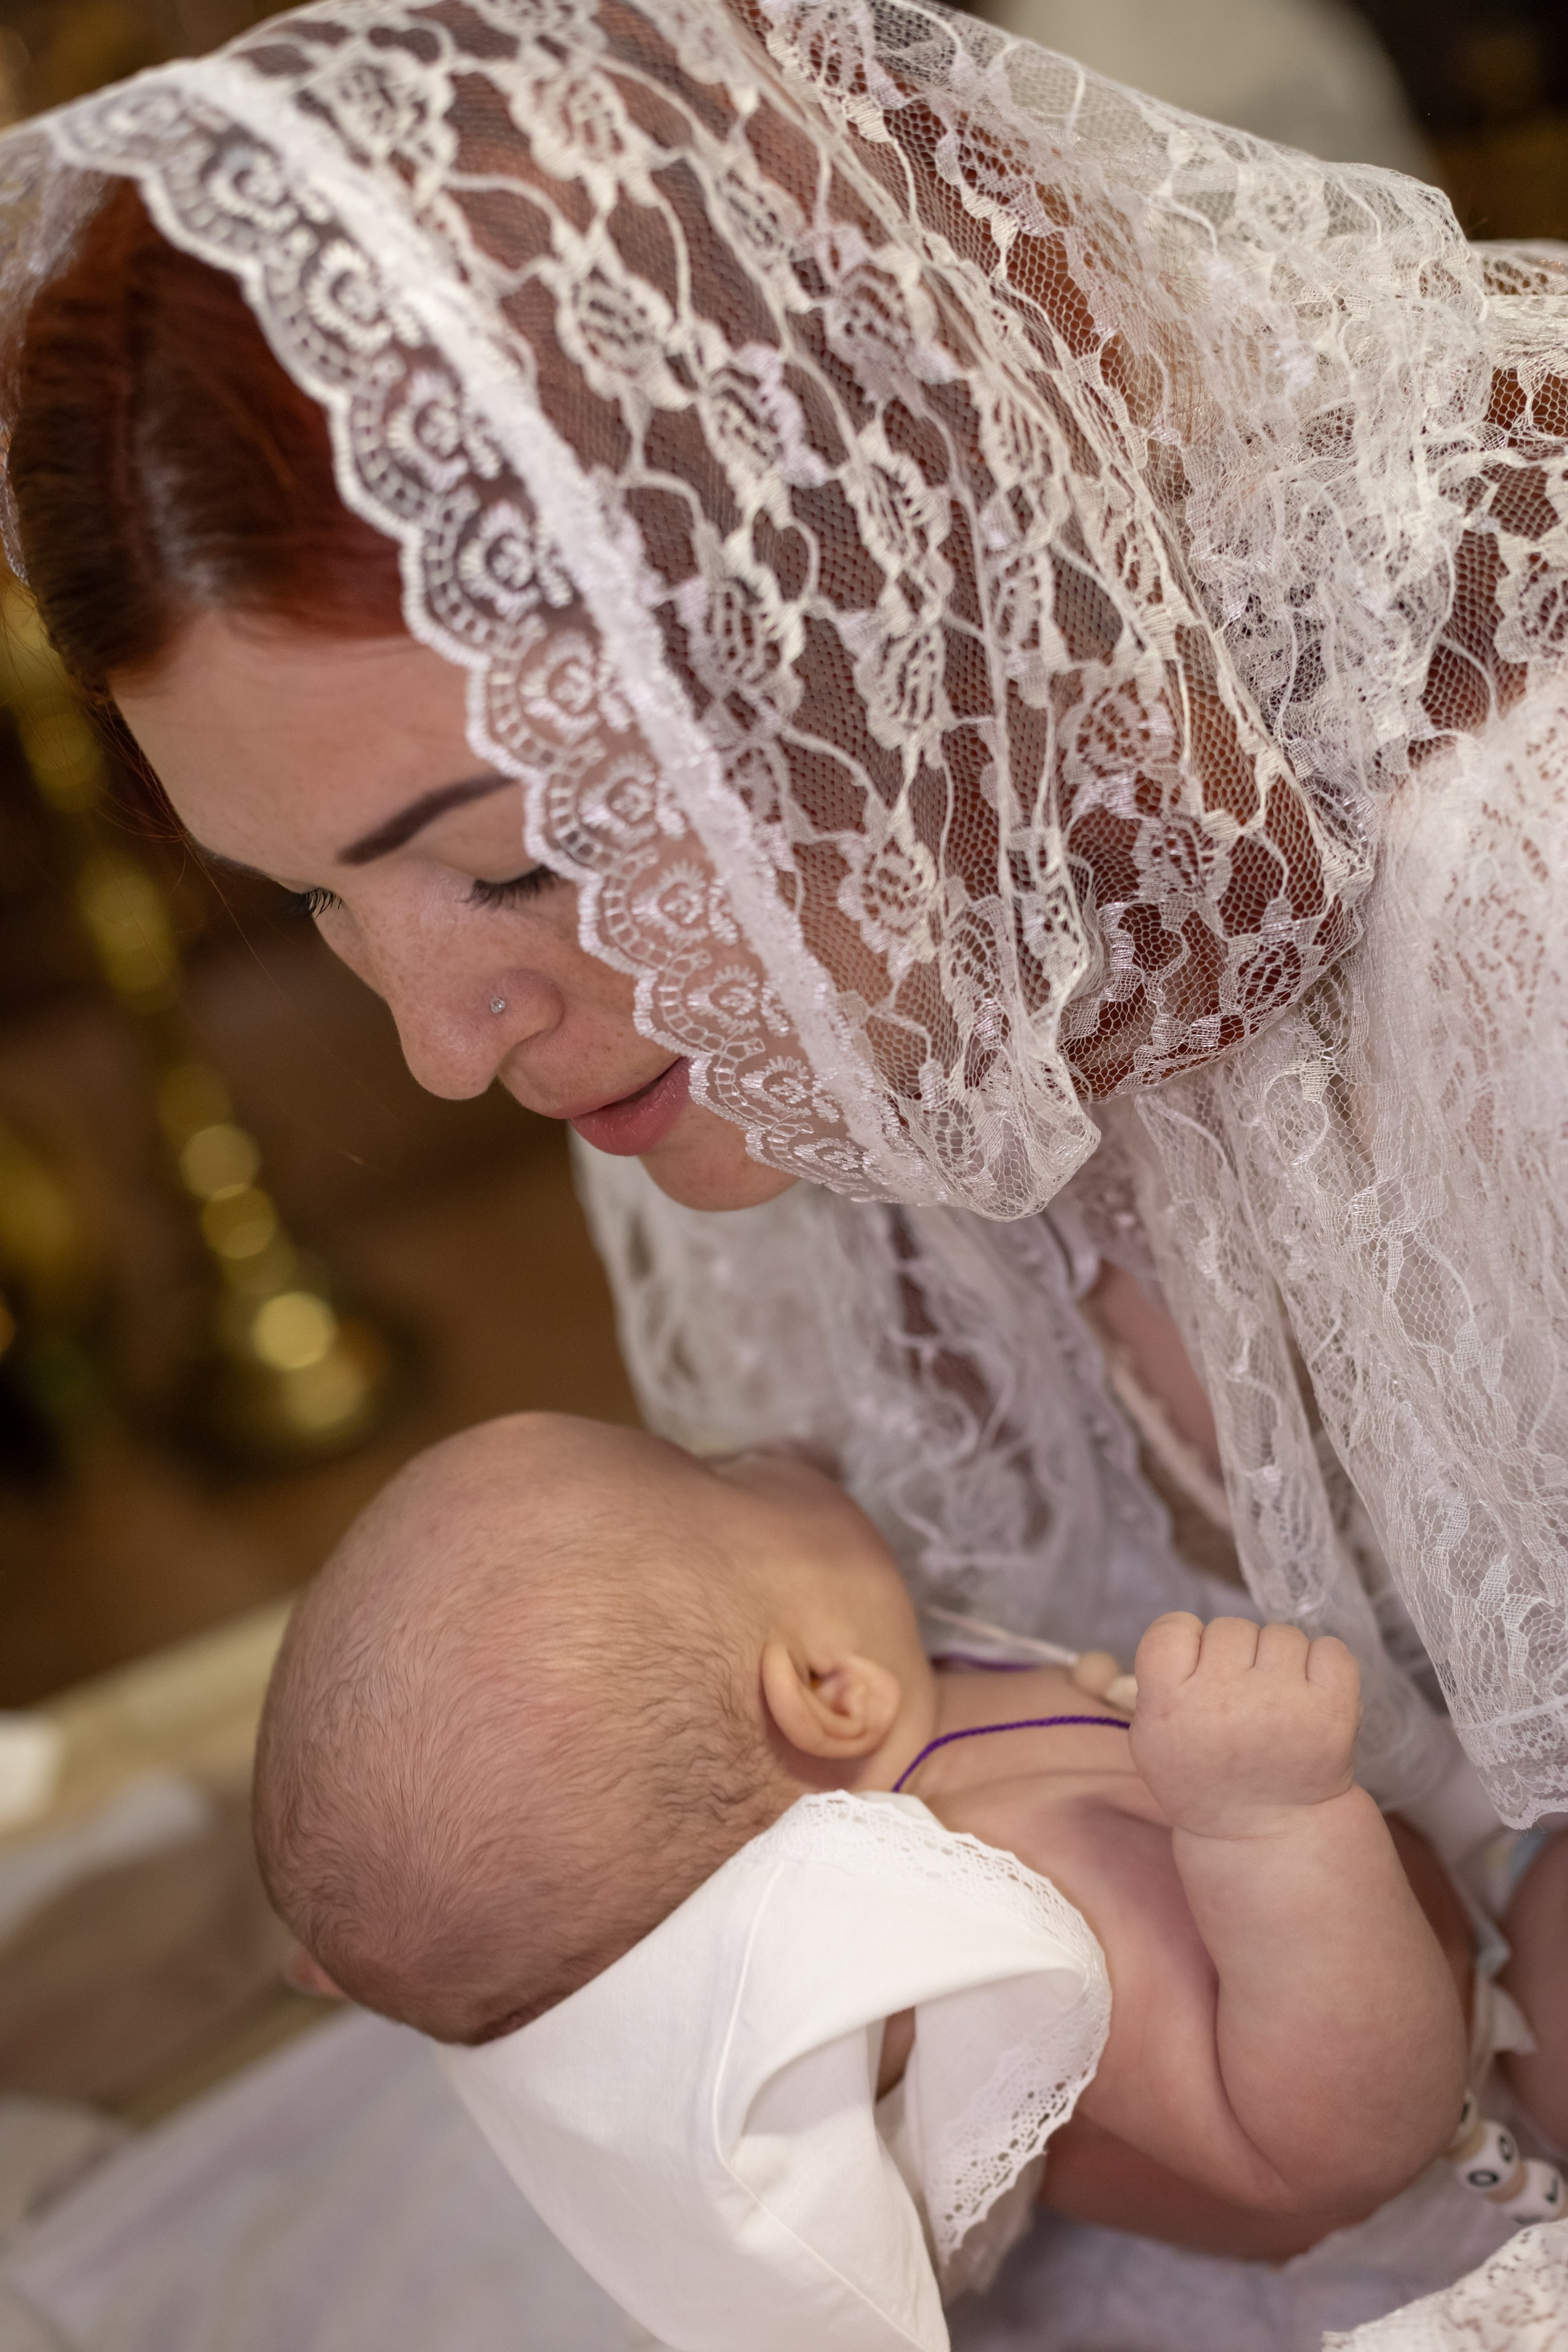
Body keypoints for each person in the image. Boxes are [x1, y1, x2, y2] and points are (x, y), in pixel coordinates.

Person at [1, 0, 1566, 2329]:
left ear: (861, 613)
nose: (441, 1054)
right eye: (330, 908)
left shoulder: (1512, 896)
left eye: (511, 872)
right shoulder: (765, 1020)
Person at [249, 1409, 1561, 2345]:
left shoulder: (899, 1754)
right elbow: (1335, 2142)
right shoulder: (1003, 1906)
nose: (782, 1448)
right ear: (825, 1691)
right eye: (718, 1472)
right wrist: (1273, 1821)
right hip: (1459, 2121)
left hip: (1444, 1902)